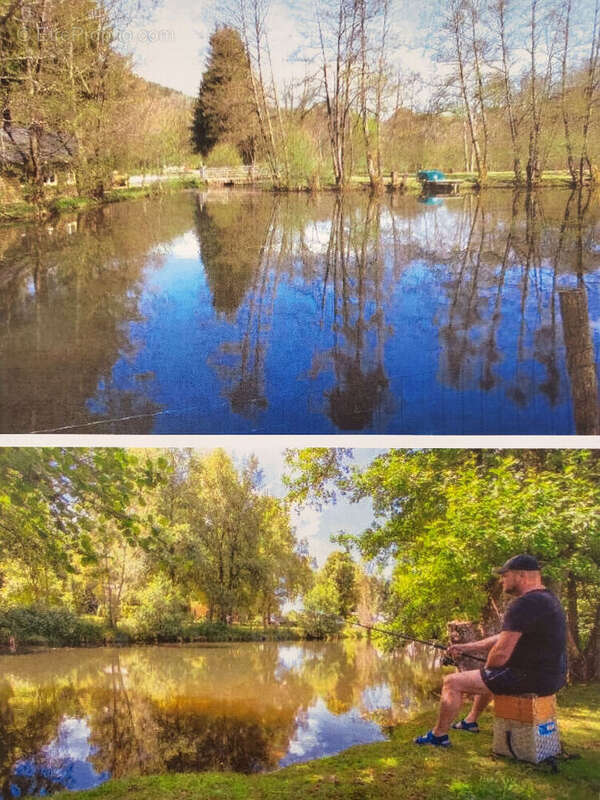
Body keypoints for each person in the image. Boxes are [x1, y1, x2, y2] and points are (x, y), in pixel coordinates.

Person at [414, 554, 567, 747]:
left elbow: (501, 653)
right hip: (553, 677)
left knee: (452, 682)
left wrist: (487, 671)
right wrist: (466, 647)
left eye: (505, 575)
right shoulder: (547, 598)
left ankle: (438, 736)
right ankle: (470, 721)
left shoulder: (523, 604)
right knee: (492, 673)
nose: (501, 579)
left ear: (521, 575)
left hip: (532, 677)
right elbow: (504, 637)